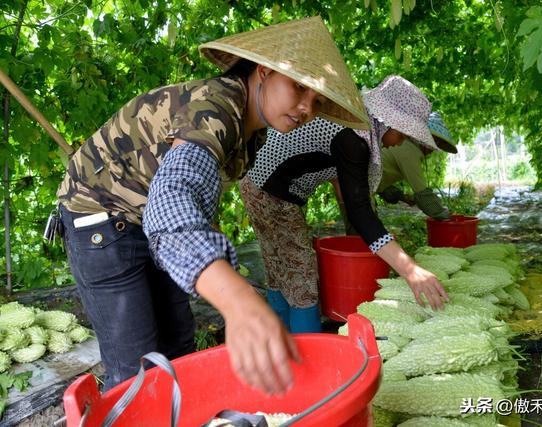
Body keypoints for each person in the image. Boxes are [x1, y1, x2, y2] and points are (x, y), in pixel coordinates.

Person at [55, 16, 368, 395]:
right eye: (299, 87)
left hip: (149, 222)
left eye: (317, 101)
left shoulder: (253, 134)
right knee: (138, 372)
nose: (305, 107)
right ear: (264, 71)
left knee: (179, 351)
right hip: (101, 218)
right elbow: (171, 199)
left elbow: (194, 203)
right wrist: (235, 299)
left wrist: (237, 288)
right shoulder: (217, 107)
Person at [240, 75, 450, 333]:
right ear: (388, 123)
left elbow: (346, 188)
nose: (402, 141)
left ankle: (280, 338)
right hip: (272, 194)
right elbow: (360, 212)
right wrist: (411, 270)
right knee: (302, 276)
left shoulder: (352, 122)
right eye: (404, 134)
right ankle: (309, 354)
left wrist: (366, 230)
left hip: (257, 186)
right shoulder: (353, 138)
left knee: (280, 269)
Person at [338, 111, 457, 235]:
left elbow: (380, 180)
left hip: (352, 184)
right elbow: (423, 194)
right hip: (356, 188)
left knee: (363, 234)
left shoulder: (405, 146)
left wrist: (403, 198)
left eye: (438, 145)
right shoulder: (409, 150)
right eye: (435, 142)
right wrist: (444, 215)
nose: (434, 149)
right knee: (364, 235)